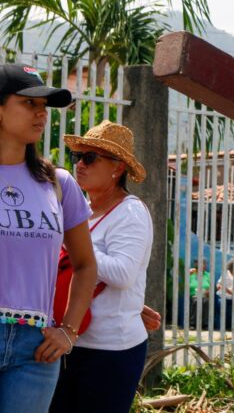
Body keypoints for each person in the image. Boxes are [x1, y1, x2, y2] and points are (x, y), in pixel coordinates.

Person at [0, 64, 97, 411]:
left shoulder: (58, 182)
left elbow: (86, 265)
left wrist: (68, 331)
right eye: (29, 103)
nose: (41, 113)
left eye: (44, 106)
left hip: (36, 350)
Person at [50, 120, 153, 413]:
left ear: (117, 168)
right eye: (77, 157)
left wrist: (76, 243)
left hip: (110, 350)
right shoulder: (81, 208)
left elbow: (122, 274)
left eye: (90, 158)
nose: (80, 164)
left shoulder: (131, 212)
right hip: (70, 342)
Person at [217, 259, 234, 330]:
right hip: (224, 295)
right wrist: (221, 287)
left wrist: (232, 292)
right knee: (223, 304)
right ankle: (227, 326)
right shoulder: (225, 273)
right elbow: (218, 285)